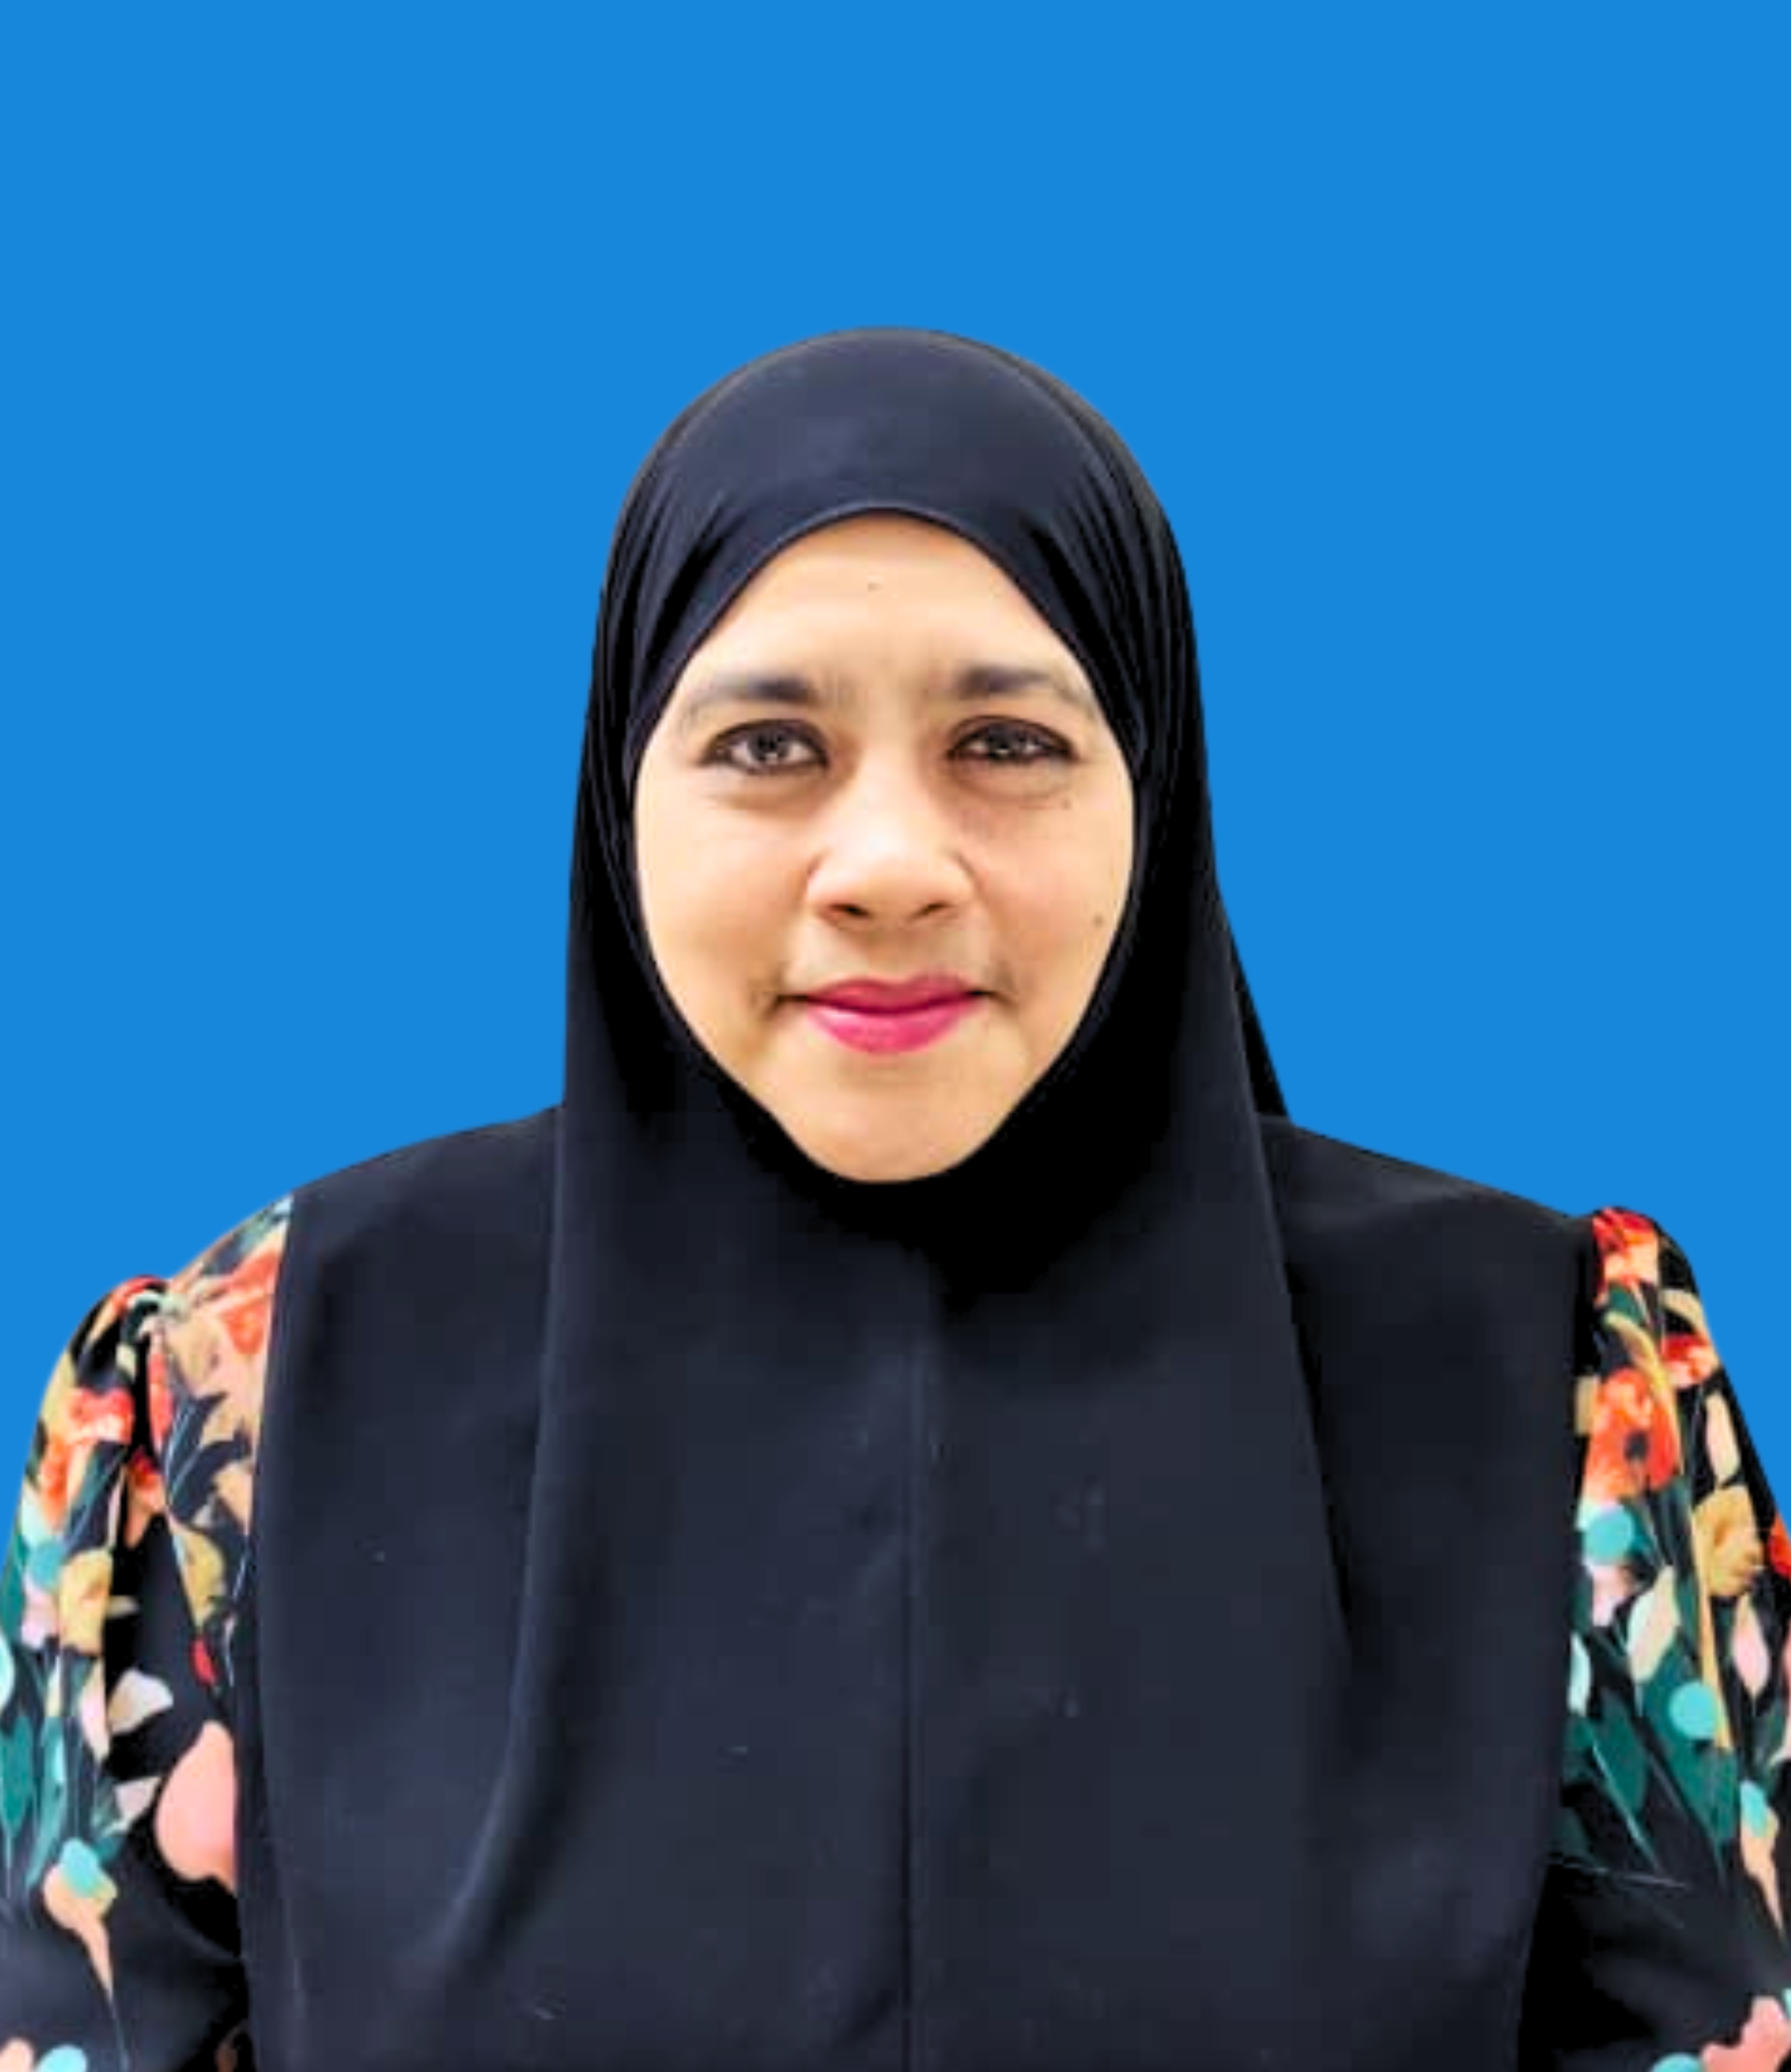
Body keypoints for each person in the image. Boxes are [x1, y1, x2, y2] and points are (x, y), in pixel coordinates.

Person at [1, 327, 1786, 2072]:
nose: (888, 867)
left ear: (1152, 782)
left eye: (1005, 743)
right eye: (767, 746)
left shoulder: (1548, 1385)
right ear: (623, 790)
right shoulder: (257, 1385)